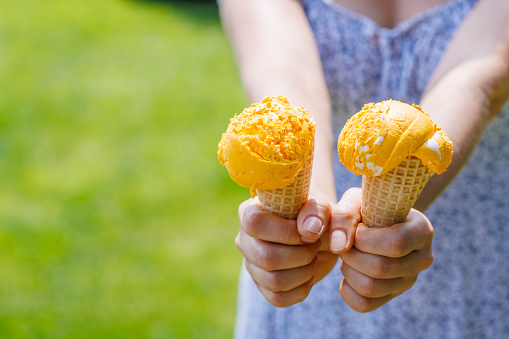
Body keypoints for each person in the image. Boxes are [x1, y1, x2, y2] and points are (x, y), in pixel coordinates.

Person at [219, 0, 509, 337]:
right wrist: (310, 207)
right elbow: (284, 70)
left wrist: (386, 221)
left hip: (471, 274)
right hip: (311, 275)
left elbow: (474, 77)